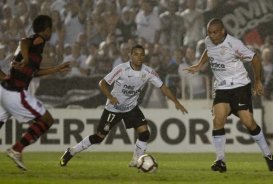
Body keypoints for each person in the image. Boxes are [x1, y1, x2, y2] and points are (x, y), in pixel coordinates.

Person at [60, 44, 188, 167]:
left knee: (145, 133)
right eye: (136, 54)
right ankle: (71, 151)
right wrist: (110, 97)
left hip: (131, 107)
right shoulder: (121, 69)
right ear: (130, 55)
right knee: (99, 137)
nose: (139, 57)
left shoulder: (148, 72)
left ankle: (136, 161)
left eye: (142, 55)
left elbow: (163, 87)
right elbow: (102, 83)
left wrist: (176, 102)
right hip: (113, 108)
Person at [184, 18, 273, 172]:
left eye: (215, 32)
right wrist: (200, 65)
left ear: (222, 31)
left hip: (240, 87)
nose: (211, 35)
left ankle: (268, 154)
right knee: (218, 120)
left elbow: (254, 58)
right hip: (221, 88)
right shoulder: (208, 41)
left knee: (249, 123)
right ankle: (220, 160)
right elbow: (208, 51)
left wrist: (258, 81)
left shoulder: (234, 44)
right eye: (209, 32)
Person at [1, 15, 70, 171]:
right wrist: (25, 58)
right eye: (50, 29)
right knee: (47, 120)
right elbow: (23, 41)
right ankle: (16, 149)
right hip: (15, 91)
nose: (51, 33)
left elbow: (34, 72)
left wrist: (56, 68)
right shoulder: (39, 40)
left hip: (4, 89)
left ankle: (16, 149)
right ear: (47, 30)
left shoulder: (37, 47)